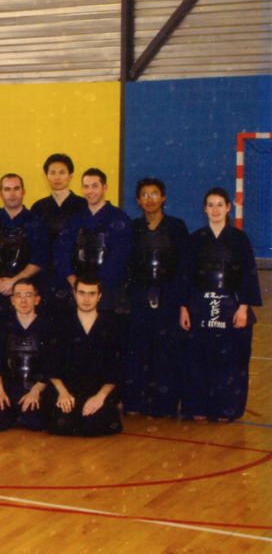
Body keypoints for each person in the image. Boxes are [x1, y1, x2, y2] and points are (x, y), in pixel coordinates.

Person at [178, 188, 262, 421]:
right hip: (200, 306)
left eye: (219, 205)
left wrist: (244, 307)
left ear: (228, 208)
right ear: (205, 209)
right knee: (198, 358)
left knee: (230, 360)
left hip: (231, 306)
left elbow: (248, 274)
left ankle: (226, 407)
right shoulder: (195, 240)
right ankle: (198, 406)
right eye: (210, 205)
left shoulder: (239, 239)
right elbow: (185, 276)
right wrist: (184, 307)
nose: (215, 209)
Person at [122, 178, 189, 417]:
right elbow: (126, 265)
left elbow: (184, 266)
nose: (149, 199)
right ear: (138, 200)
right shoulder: (132, 228)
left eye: (154, 194)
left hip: (169, 296)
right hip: (139, 296)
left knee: (166, 351)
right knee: (138, 350)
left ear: (163, 198)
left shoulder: (177, 227)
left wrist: (182, 302)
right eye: (144, 195)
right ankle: (135, 402)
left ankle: (165, 404)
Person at [48, 275, 123, 437]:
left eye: (92, 294)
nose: (86, 299)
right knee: (62, 425)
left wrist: (100, 397)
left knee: (93, 426)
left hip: (99, 390)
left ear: (99, 296)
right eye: (82, 293)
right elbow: (52, 363)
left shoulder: (111, 324)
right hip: (69, 390)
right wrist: (62, 393)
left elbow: (115, 367)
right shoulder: (61, 323)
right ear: (74, 294)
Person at [0, 173, 48, 321]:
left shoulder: (36, 222)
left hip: (26, 291)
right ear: (0, 193)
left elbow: (39, 260)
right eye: (7, 189)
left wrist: (14, 282)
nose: (12, 194)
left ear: (23, 191)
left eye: (16, 189)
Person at [55, 168, 132, 313]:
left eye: (95, 186)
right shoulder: (75, 219)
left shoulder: (119, 218)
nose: (90, 191)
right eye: (86, 187)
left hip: (108, 291)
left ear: (105, 187)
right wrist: (72, 279)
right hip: (78, 289)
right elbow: (61, 251)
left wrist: (97, 285)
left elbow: (120, 256)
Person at [0, 279, 54, 432]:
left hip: (37, 387)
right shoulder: (3, 327)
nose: (23, 301)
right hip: (11, 386)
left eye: (28, 295)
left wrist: (35, 391)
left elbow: (51, 367)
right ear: (12, 300)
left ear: (37, 300)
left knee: (35, 422)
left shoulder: (47, 328)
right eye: (18, 296)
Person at [31, 153, 87, 307]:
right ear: (46, 176)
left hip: (75, 273)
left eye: (62, 172)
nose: (57, 177)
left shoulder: (83, 205)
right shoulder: (38, 207)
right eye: (52, 173)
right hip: (45, 274)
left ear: (70, 176)